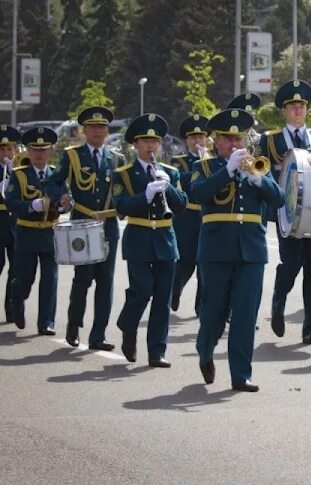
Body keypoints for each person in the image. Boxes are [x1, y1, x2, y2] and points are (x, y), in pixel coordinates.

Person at [191, 108, 284, 391]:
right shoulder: (204, 168)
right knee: (213, 314)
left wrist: (259, 179)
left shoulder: (257, 166)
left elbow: (279, 200)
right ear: (216, 141)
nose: (235, 145)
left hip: (252, 250)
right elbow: (196, 194)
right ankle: (205, 350)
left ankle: (240, 374)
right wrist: (227, 170)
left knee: (246, 315)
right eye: (228, 139)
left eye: (239, 139)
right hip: (217, 249)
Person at [112, 114, 188, 368]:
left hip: (165, 239)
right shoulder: (123, 174)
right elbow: (121, 206)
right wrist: (145, 195)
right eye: (145, 141)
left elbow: (181, 206)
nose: (151, 146)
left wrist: (169, 187)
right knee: (142, 290)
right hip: (139, 238)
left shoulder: (171, 172)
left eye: (154, 141)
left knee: (162, 299)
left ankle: (157, 351)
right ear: (136, 144)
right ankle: (128, 324)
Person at [258, 80, 311, 344]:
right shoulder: (271, 140)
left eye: (302, 105)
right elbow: (263, 174)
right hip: (286, 211)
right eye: (293, 106)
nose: (298, 109)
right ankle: (279, 299)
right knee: (291, 262)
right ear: (284, 110)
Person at [47, 106, 125, 350]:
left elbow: (124, 189)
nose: (98, 131)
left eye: (102, 127)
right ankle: (73, 326)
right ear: (84, 130)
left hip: (109, 225)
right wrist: (61, 197)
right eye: (93, 127)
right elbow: (54, 181)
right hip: (82, 224)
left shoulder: (117, 159)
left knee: (106, 282)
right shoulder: (73, 155)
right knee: (83, 280)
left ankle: (98, 335)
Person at [5, 127, 70, 333]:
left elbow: (65, 201)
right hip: (27, 232)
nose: (40, 154)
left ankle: (46, 322)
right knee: (25, 278)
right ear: (29, 152)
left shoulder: (56, 175)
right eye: (35, 149)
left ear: (50, 151)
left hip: (50, 233)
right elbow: (11, 202)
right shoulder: (19, 175)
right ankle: (17, 300)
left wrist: (63, 204)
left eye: (44, 149)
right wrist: (32, 206)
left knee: (50, 279)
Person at [169, 114, 209, 317]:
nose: (197, 141)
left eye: (201, 137)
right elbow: (180, 180)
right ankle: (175, 290)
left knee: (204, 263)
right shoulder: (179, 162)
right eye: (193, 138)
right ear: (187, 140)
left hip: (206, 216)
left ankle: (201, 306)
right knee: (185, 262)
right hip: (185, 217)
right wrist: (200, 166)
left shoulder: (211, 161)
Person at [0, 125, 20, 323]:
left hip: (15, 222)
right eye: (2, 149)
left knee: (16, 268)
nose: (6, 153)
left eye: (9, 149)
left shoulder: (19, 170)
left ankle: (11, 308)